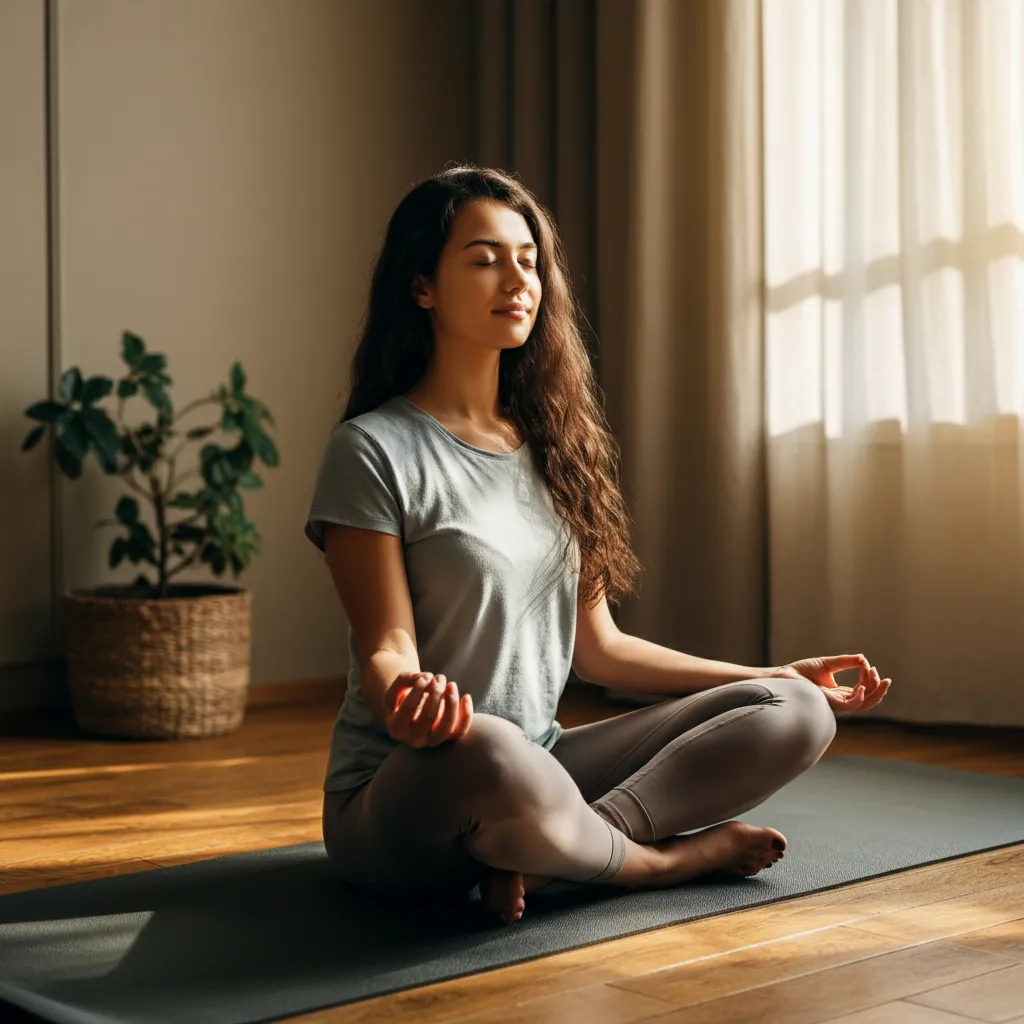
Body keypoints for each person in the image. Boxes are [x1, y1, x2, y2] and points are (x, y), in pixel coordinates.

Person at [304, 164, 892, 925]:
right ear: (422, 287)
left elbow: (601, 650)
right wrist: (407, 702)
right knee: (490, 747)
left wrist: (778, 671)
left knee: (799, 711)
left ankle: (555, 859)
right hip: (413, 791)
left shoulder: (554, 449)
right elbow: (386, 643)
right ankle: (651, 863)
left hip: (545, 771)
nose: (515, 279)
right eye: (484, 260)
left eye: (527, 261)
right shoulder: (372, 449)